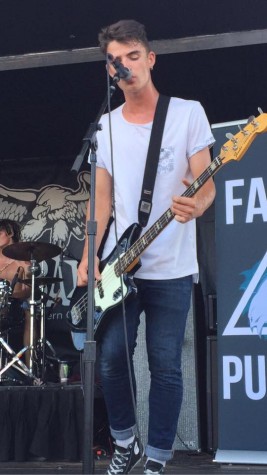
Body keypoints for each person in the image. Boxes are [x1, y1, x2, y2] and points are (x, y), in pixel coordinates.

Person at [77, 19, 216, 475]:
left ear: (150, 58)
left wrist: (195, 205)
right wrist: (88, 257)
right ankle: (124, 443)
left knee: (165, 365)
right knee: (112, 358)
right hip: (121, 263)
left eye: (133, 56)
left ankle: (156, 457)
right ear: (109, 70)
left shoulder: (187, 113)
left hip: (172, 263)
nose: (126, 65)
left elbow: (206, 183)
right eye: (116, 60)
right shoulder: (106, 126)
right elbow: (100, 200)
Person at [0, 219, 31, 367]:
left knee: (30, 312)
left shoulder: (23, 262)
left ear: (10, 233)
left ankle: (31, 369)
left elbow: (29, 292)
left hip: (15, 307)